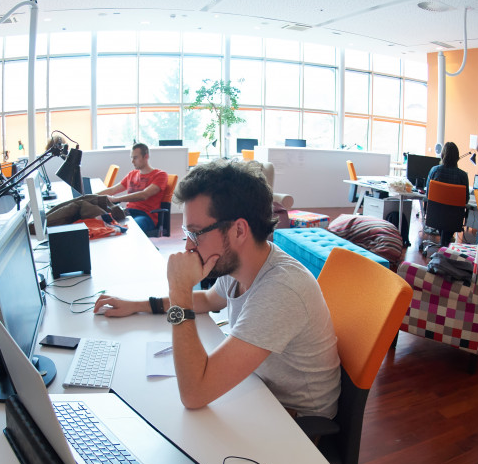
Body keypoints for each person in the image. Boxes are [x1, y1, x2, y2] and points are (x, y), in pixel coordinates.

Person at [93, 160, 341, 418]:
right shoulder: (240, 264)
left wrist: (180, 292)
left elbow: (194, 394)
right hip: (258, 391)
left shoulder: (281, 288)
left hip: (295, 424)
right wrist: (137, 305)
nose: (189, 247)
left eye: (196, 233)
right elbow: (209, 300)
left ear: (239, 230)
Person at [96, 143, 168, 234]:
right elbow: (113, 190)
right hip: (127, 213)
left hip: (146, 216)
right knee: (97, 220)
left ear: (146, 156)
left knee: (130, 230)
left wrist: (116, 199)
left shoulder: (160, 175)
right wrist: (91, 196)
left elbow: (144, 195)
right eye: (131, 158)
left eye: (135, 158)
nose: (132, 161)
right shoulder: (132, 174)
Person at [426, 141, 470, 246]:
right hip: (454, 218)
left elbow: (428, 195)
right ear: (457, 157)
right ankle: (445, 243)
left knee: (443, 220)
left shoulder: (434, 171)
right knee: (449, 222)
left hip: (435, 215)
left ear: (442, 155)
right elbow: (465, 199)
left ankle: (444, 244)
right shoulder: (463, 175)